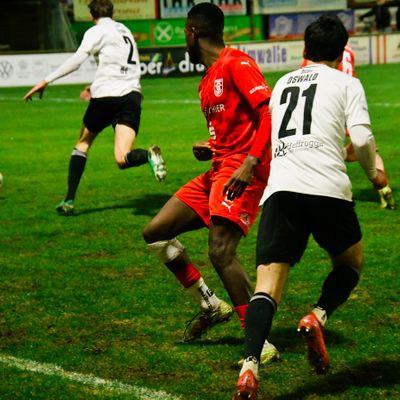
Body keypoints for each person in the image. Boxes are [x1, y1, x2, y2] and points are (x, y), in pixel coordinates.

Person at [234, 15, 388, 399]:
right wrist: (374, 173)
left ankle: (249, 366)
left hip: (282, 189)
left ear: (305, 49)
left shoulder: (283, 82)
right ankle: (317, 315)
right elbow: (362, 139)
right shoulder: (347, 83)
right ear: (342, 52)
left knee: (268, 285)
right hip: (326, 188)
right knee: (350, 263)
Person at [142, 2, 278, 362]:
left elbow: (268, 112)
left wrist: (249, 163)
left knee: (220, 249)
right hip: (220, 166)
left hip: (242, 169)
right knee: (156, 231)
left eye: (184, 33)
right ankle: (209, 303)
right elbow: (232, 128)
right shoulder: (207, 80)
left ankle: (259, 341)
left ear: (192, 32)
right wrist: (211, 146)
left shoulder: (237, 63)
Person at [24, 0, 167, 215]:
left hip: (105, 98)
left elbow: (77, 61)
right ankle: (148, 155)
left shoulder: (96, 31)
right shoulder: (124, 31)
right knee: (122, 158)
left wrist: (46, 80)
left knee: (82, 144)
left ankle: (69, 200)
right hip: (131, 96)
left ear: (92, 16)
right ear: (113, 13)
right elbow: (124, 64)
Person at [302, 45, 396, 210]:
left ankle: (325, 190)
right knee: (369, 148)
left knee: (322, 144)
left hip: (330, 99)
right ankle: (383, 188)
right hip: (349, 97)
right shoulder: (348, 50)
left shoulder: (315, 50)